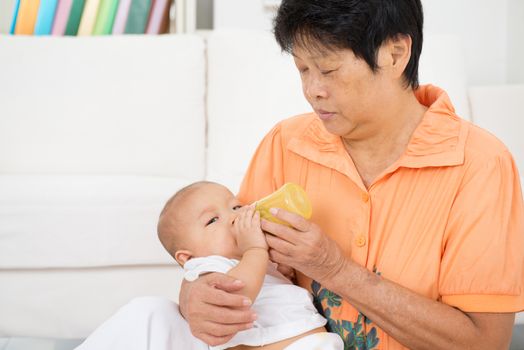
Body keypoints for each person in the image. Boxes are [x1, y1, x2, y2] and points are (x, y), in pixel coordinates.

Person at [179, 0, 524, 349]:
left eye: (328, 70)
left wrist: (335, 269)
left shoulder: (479, 164)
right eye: (302, 69)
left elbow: (484, 342)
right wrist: (194, 296)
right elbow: (220, 256)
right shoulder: (285, 143)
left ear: (395, 53)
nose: (312, 90)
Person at [76, 181, 343, 350]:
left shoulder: (260, 257)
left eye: (236, 207)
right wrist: (255, 249)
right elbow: (237, 295)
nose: (233, 218)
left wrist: (282, 270)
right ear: (187, 257)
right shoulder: (208, 267)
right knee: (145, 311)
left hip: (315, 342)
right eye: (212, 221)